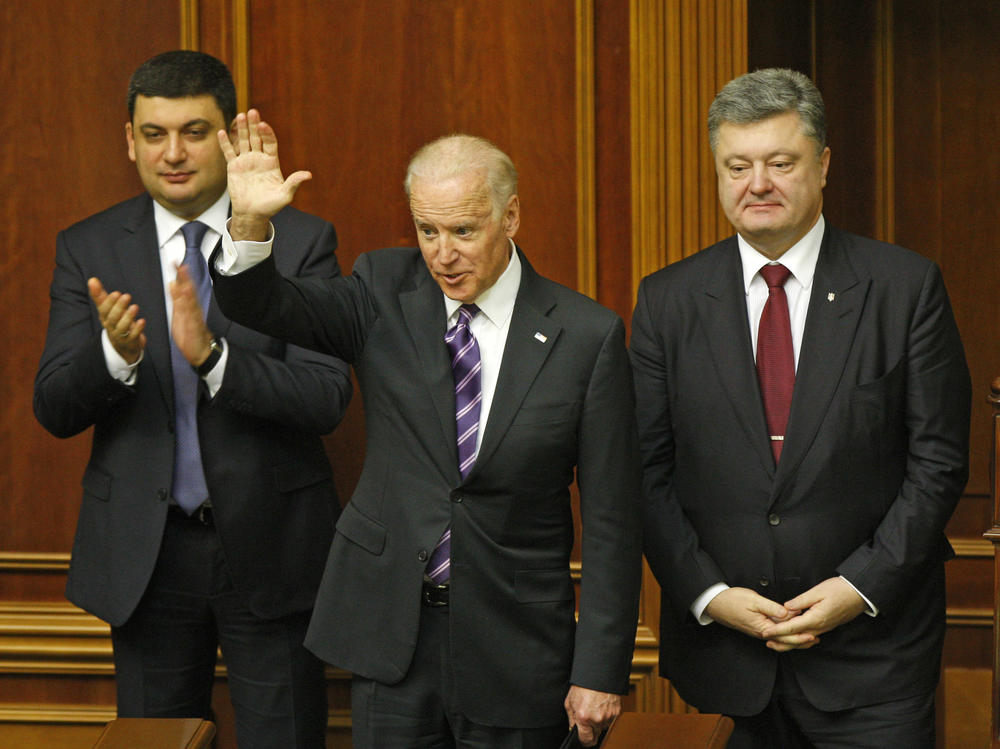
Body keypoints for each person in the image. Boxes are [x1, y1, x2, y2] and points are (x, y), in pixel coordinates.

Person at [210, 112, 642, 748]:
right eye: (427, 230)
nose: (443, 253)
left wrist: (600, 670)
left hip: (516, 647)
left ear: (511, 217)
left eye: (464, 230)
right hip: (392, 636)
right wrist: (249, 222)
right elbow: (261, 303)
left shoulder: (587, 336)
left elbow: (612, 519)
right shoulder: (383, 288)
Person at [630, 68, 970, 748]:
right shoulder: (667, 301)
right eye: (738, 165)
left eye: (779, 162)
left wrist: (858, 585)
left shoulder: (905, 288)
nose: (758, 183)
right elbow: (641, 470)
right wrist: (708, 594)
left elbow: (938, 462)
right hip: (725, 666)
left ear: (822, 164)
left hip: (875, 657)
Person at [34, 51, 351, 748]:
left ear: (228, 139)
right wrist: (115, 353)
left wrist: (215, 360)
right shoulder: (88, 248)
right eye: (153, 134)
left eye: (194, 131)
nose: (172, 153)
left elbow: (327, 395)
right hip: (148, 559)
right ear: (129, 141)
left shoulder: (298, 241)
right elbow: (54, 405)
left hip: (271, 550)